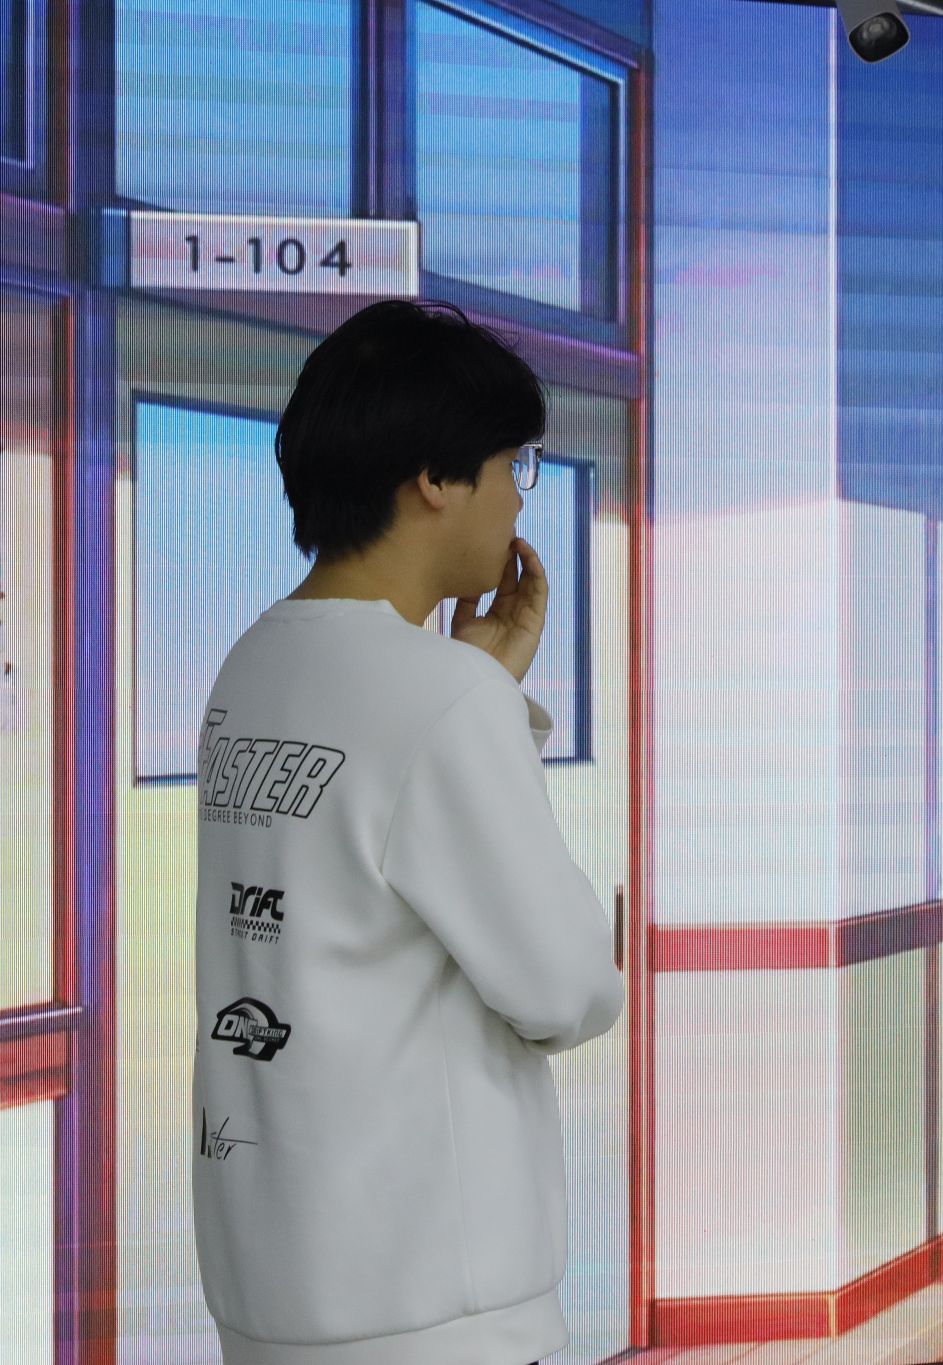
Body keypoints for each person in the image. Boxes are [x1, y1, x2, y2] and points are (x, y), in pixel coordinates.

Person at [191, 299, 623, 1365]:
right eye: (512, 464)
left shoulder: (253, 664)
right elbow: (566, 988)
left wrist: (478, 691)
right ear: (434, 477)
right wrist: (481, 701)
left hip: (273, 1297)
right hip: (436, 1311)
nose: (515, 498)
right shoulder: (442, 698)